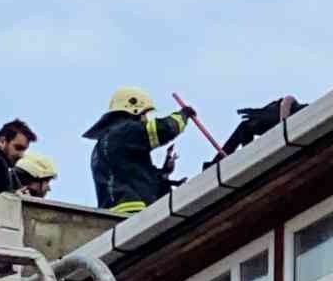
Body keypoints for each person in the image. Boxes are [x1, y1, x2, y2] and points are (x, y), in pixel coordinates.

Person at [83, 86, 197, 216]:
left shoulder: (103, 144)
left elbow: (132, 175)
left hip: (113, 216)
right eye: (145, 114)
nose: (146, 119)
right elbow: (164, 129)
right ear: (134, 109)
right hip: (133, 211)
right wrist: (182, 116)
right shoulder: (124, 131)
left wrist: (163, 175)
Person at [205, 96, 305, 168]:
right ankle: (245, 154)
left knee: (244, 127)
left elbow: (287, 101)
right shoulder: (293, 109)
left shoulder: (297, 111)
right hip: (275, 115)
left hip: (274, 117)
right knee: (245, 126)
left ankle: (245, 154)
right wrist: (282, 124)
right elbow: (287, 100)